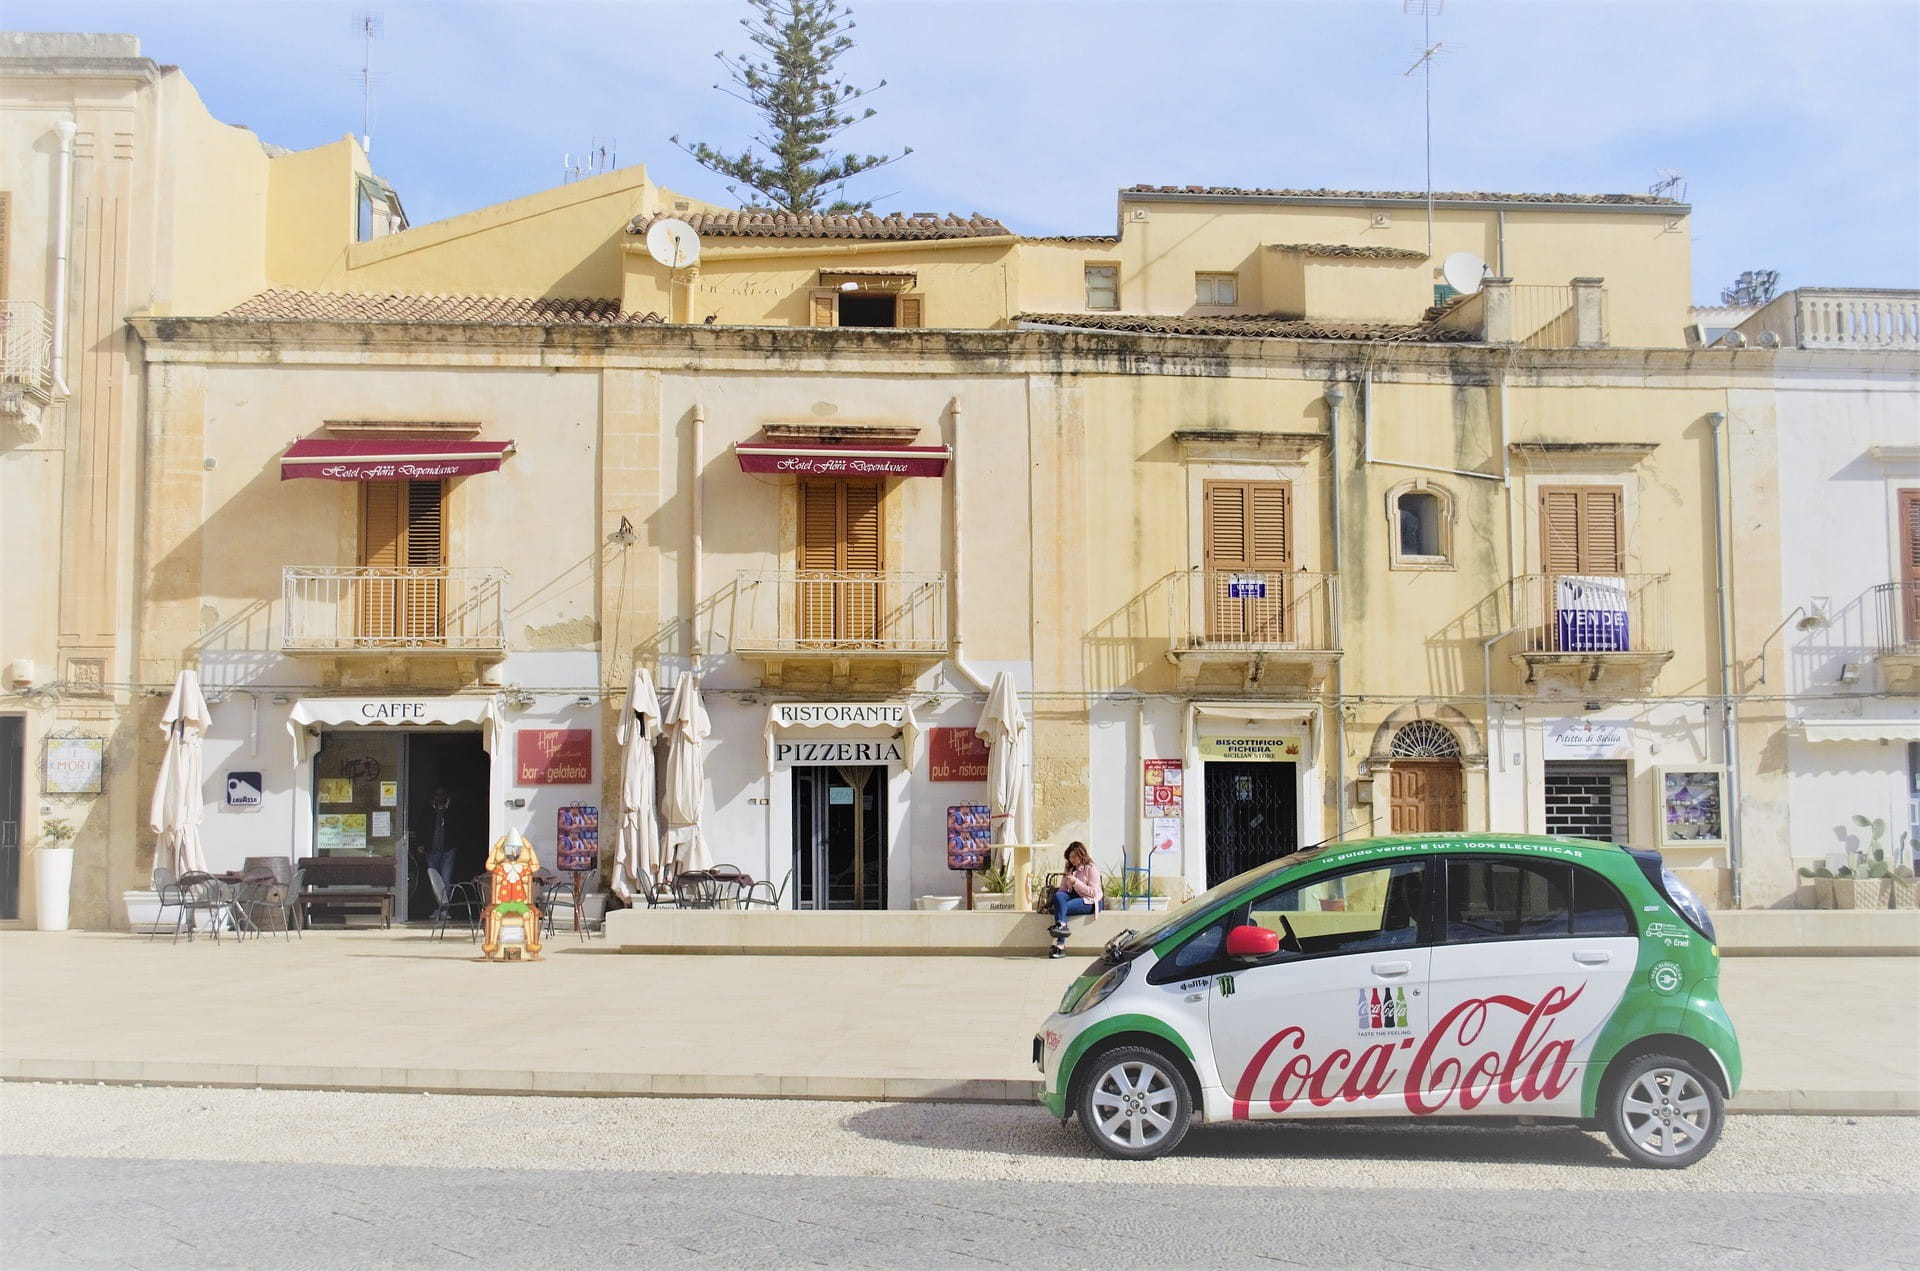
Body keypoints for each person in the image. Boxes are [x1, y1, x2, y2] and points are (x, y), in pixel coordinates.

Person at [1047, 842, 1102, 957]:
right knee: (1058, 896)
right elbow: (1062, 889)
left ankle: (1060, 946)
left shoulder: (1091, 869)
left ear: (1081, 855)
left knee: (1062, 908)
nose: (1072, 860)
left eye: (1074, 857)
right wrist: (1056, 900)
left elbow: (1093, 893)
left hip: (1089, 901)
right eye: (1070, 857)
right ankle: (1061, 924)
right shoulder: (1069, 867)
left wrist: (1075, 882)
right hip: (1074, 896)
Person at [424, 787, 455, 904]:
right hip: (431, 850)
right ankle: (435, 908)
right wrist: (422, 844)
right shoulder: (428, 811)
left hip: (448, 850)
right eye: (437, 794)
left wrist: (455, 845)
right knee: (434, 881)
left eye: (442, 794)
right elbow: (422, 828)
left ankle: (445, 909)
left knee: (446, 880)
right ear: (433, 796)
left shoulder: (452, 810)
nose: (439, 797)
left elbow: (459, 828)